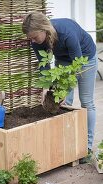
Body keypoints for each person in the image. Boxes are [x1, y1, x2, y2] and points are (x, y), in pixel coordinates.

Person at [22, 11, 98, 163]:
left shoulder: (66, 33)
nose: (33, 41)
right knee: (64, 103)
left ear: (44, 29)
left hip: (85, 58)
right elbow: (44, 65)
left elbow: (77, 64)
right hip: (63, 60)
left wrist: (64, 89)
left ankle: (87, 148)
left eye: (35, 37)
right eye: (30, 38)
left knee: (86, 102)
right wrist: (46, 88)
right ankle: (66, 145)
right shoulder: (36, 42)